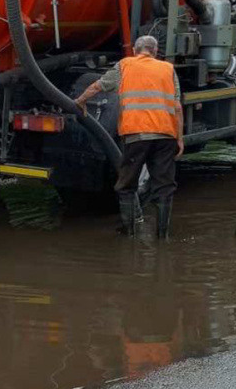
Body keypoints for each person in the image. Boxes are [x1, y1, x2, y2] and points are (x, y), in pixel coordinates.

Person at [74, 35, 184, 239]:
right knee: (164, 186)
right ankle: (163, 235)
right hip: (165, 136)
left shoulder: (125, 65)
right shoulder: (168, 69)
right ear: (155, 50)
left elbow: (98, 86)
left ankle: (128, 232)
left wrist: (79, 101)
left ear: (135, 50)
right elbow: (177, 106)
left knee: (126, 184)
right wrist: (179, 138)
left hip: (136, 135)